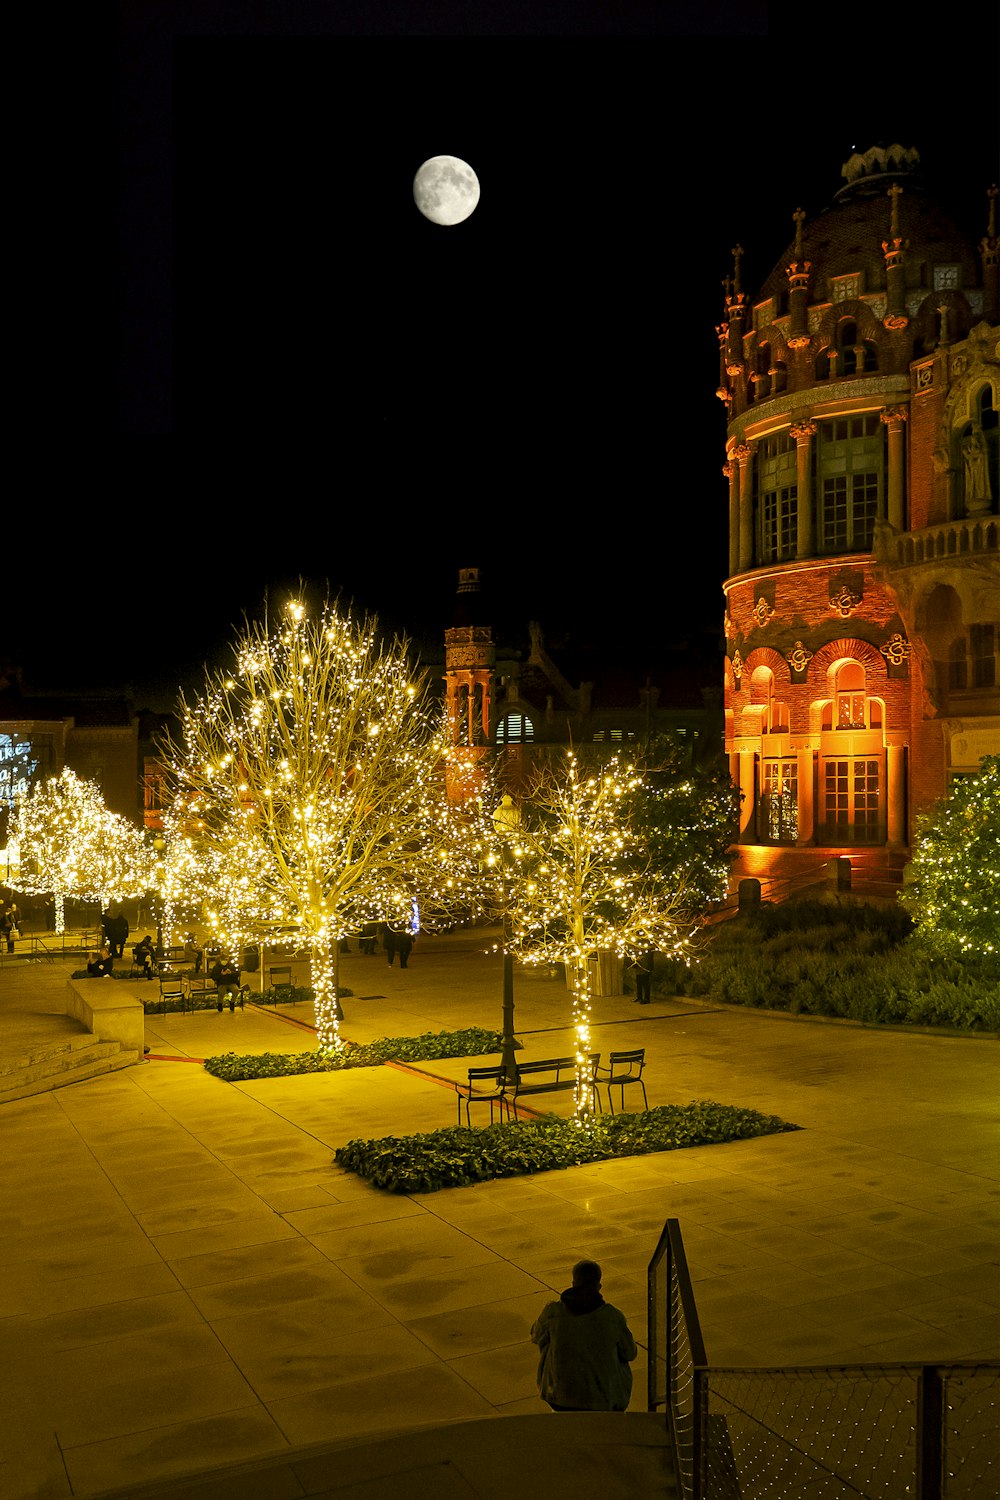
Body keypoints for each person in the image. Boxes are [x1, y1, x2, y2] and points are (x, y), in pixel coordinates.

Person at [530, 1259, 637, 1412]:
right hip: (602, 1399)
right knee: (619, 1354)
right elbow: (630, 1353)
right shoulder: (612, 1316)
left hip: (560, 1396)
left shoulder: (552, 1312)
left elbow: (535, 1335)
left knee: (547, 1340)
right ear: (598, 1287)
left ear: (573, 1283)